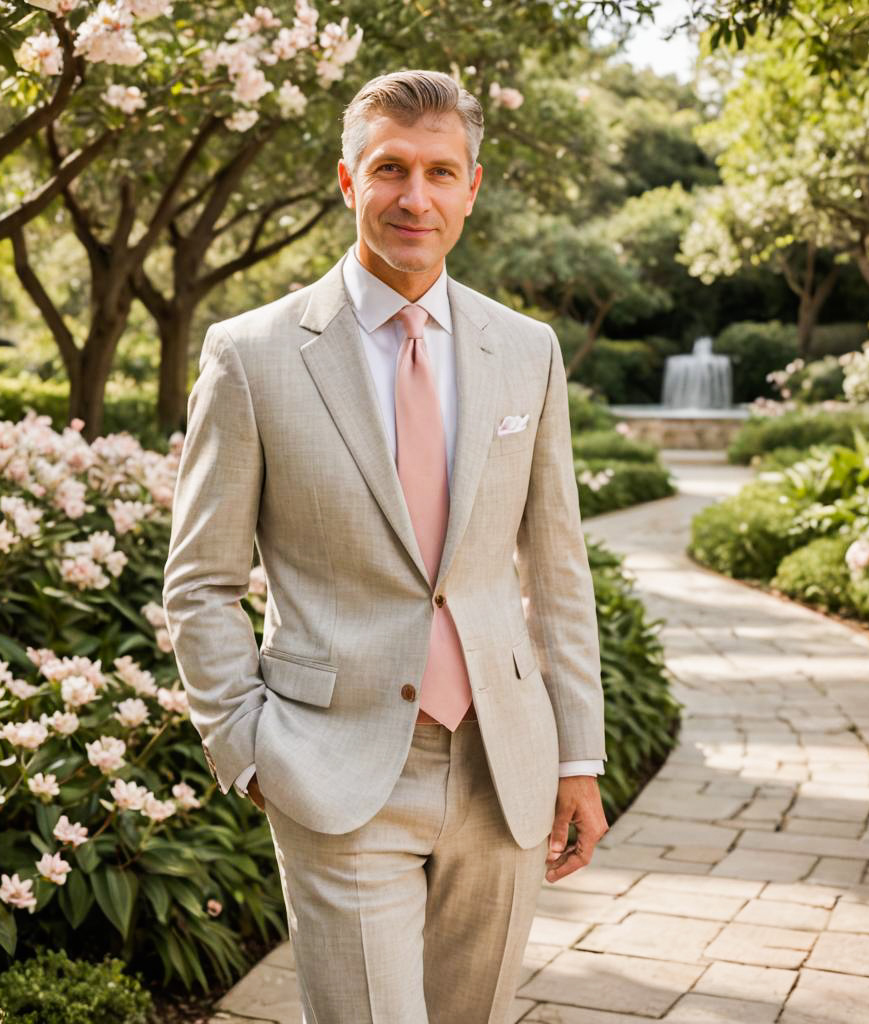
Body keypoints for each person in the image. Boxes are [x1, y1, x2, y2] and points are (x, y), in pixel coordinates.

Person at [162, 68, 608, 1024]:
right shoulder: (252, 354)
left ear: (472, 187)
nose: (417, 197)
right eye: (392, 169)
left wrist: (580, 756)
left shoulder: (525, 349)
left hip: (504, 767)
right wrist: (245, 747)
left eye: (441, 172)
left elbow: (557, 568)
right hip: (336, 767)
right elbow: (200, 582)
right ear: (347, 180)